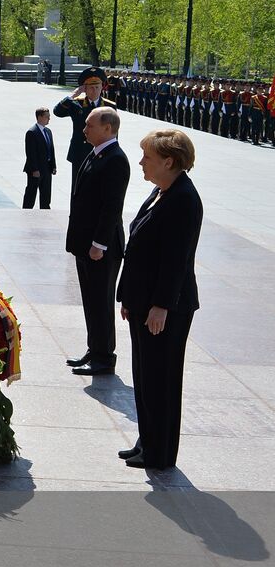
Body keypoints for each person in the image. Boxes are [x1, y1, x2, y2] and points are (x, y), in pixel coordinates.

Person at [116, 129, 202, 470]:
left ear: (169, 161)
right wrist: (128, 297)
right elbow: (140, 247)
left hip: (165, 307)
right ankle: (147, 440)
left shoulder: (183, 198)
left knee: (162, 379)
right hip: (144, 301)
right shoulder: (161, 191)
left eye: (147, 157)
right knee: (145, 374)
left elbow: (175, 260)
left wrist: (161, 305)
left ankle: (160, 452)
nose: (141, 162)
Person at [65, 107, 129, 376]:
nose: (84, 129)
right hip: (86, 244)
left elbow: (111, 207)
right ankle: (95, 349)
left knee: (101, 302)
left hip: (100, 248)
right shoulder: (97, 153)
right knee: (91, 300)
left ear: (107, 128)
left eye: (90, 125)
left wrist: (99, 244)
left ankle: (105, 357)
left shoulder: (115, 159)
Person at [54, 67, 117, 192]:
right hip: (80, 151)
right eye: (91, 87)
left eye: (97, 87)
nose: (94, 90)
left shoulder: (110, 106)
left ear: (102, 87)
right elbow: (57, 112)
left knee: (98, 189)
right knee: (78, 188)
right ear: (85, 89)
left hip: (101, 152)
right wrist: (73, 95)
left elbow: (113, 132)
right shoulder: (76, 103)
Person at [23, 107, 56, 209]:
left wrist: (53, 166)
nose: (49, 119)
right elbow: (30, 153)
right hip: (36, 169)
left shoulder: (48, 131)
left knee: (46, 194)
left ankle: (45, 211)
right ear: (39, 117)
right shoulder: (32, 132)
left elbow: (51, 149)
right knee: (31, 193)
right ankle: (26, 210)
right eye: (47, 117)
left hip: (47, 168)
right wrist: (35, 169)